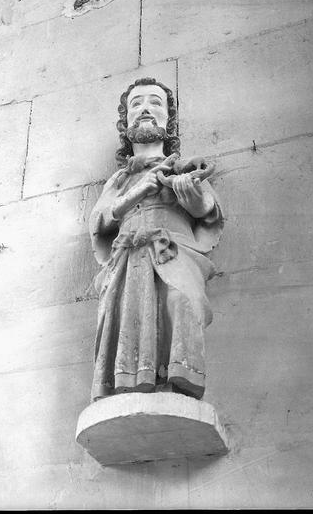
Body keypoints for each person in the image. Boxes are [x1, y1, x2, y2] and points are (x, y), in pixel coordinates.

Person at [89, 78, 223, 402]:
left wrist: (192, 198)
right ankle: (129, 382)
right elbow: (101, 220)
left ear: (168, 119)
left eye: (155, 103)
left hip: (173, 249)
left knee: (181, 300)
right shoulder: (119, 180)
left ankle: (182, 379)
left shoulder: (180, 168)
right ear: (126, 122)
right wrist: (138, 189)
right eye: (137, 104)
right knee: (123, 316)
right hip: (129, 256)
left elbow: (209, 211)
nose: (146, 109)